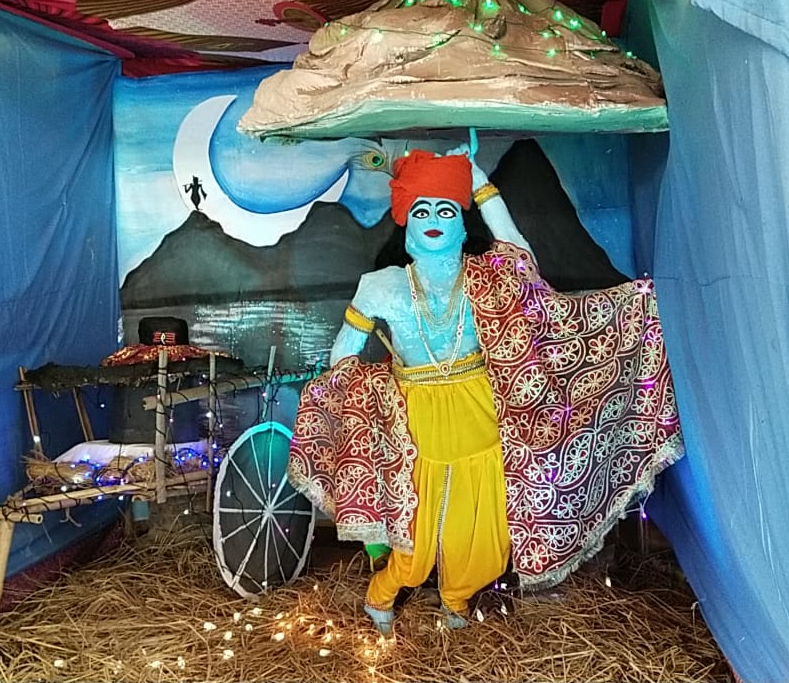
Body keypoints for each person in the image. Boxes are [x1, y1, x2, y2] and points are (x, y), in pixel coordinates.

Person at [288, 148, 683, 635]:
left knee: (486, 537)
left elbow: (519, 252)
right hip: (415, 427)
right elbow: (342, 357)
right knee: (415, 540)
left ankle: (456, 601)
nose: (434, 220)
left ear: (461, 223)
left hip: (483, 417)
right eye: (422, 210)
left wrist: (478, 182)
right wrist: (366, 396)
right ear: (405, 221)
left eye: (446, 210)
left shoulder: (488, 278)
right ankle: (383, 592)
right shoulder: (379, 287)